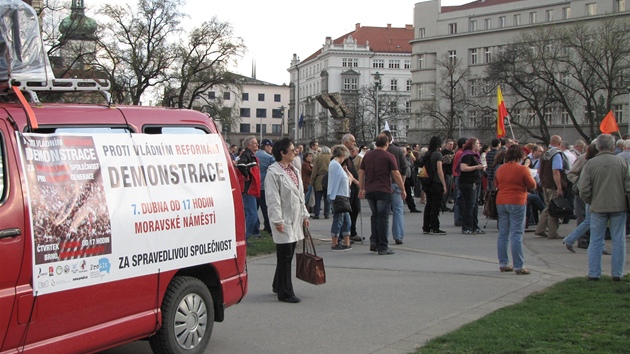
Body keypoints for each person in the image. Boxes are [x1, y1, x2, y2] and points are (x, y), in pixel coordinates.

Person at [578, 134, 630, 281]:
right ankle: (617, 274)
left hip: (597, 206)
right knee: (619, 240)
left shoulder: (590, 164)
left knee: (595, 240)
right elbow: (628, 186)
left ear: (597, 146)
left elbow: (583, 189)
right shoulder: (622, 163)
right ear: (613, 146)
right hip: (618, 206)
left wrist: (590, 200)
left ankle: (594, 273)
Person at [265, 138, 310, 303]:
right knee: (284, 256)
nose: (295, 152)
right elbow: (272, 198)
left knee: (288, 254)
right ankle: (285, 292)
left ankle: (278, 283)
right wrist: (277, 220)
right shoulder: (273, 173)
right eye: (292, 150)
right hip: (283, 219)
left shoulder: (294, 170)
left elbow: (301, 196)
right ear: (282, 153)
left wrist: (305, 215)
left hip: (295, 216)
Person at [359, 133, 406, 255]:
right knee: (383, 218)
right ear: (387, 143)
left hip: (370, 189)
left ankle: (373, 241)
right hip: (383, 189)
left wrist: (361, 188)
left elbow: (361, 172)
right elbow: (396, 174)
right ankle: (383, 246)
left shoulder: (367, 156)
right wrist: (403, 189)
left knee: (375, 216)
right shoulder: (389, 156)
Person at [495, 145, 537, 275]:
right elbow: (532, 185)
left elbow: (497, 184)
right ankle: (518, 265)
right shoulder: (522, 169)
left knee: (503, 234)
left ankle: (503, 263)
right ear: (520, 156)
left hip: (501, 200)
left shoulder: (500, 169)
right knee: (517, 234)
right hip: (517, 200)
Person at [563, 143, 610, 255]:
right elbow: (572, 174)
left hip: (593, 194)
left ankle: (571, 239)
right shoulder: (585, 160)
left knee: (591, 220)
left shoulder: (595, 161)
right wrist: (580, 184)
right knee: (593, 220)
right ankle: (597, 245)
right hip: (589, 194)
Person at [535, 135, 570, 239]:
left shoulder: (544, 153)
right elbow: (556, 171)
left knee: (548, 207)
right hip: (553, 185)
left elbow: (538, 169)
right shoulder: (557, 154)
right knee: (554, 208)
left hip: (545, 184)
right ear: (559, 143)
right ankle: (552, 233)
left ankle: (540, 229)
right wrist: (559, 187)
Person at [327, 144, 354, 251]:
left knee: (346, 219)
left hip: (341, 195)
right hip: (338, 195)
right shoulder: (335, 165)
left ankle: (345, 241)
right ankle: (335, 243)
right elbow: (338, 181)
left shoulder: (335, 165)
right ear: (342, 154)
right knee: (339, 219)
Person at [383, 130, 407, 244]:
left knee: (384, 211)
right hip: (396, 183)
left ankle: (384, 236)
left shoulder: (380, 151)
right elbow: (404, 168)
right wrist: (402, 184)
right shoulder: (398, 151)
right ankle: (398, 236)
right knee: (398, 210)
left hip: (384, 184)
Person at [236, 136, 261, 242]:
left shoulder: (250, 155)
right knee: (252, 215)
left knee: (250, 214)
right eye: (255, 143)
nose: (257, 145)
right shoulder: (247, 155)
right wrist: (247, 176)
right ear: (248, 145)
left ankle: (244, 237)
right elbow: (241, 165)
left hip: (250, 189)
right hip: (248, 190)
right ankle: (244, 238)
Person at [458, 137, 485, 234]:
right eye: (477, 143)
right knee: (469, 205)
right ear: (472, 145)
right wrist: (477, 167)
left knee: (474, 205)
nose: (479, 145)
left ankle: (474, 226)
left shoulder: (475, 155)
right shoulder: (467, 155)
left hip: (475, 182)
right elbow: (463, 168)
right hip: (468, 183)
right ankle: (466, 227)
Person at [421, 136, 447, 235]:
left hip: (427, 182)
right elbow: (440, 171)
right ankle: (435, 226)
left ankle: (426, 226)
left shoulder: (426, 154)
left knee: (428, 204)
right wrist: (444, 184)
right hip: (436, 182)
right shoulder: (438, 155)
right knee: (435, 205)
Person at [340, 134, 363, 242]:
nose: (354, 143)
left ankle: (352, 232)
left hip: (353, 187)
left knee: (355, 209)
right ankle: (345, 234)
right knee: (347, 211)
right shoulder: (341, 154)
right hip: (347, 187)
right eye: (352, 141)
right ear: (346, 142)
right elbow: (344, 170)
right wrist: (354, 180)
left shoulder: (348, 155)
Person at [255, 139, 276, 237]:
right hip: (264, 186)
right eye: (270, 147)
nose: (271, 149)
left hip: (254, 187)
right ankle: (269, 228)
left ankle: (255, 229)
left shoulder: (254, 155)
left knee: (254, 210)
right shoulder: (269, 158)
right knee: (266, 209)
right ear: (267, 147)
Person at [310, 146, 332, 219]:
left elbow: (314, 171)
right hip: (329, 179)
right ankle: (327, 213)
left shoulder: (318, 158)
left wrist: (312, 181)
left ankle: (317, 213)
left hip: (319, 179)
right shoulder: (331, 158)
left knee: (318, 198)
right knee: (327, 198)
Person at [441, 139, 455, 212]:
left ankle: (444, 204)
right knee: (445, 189)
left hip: (450, 172)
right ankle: (442, 205)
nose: (451, 146)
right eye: (450, 144)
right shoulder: (443, 153)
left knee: (449, 190)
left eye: (452, 144)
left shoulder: (452, 152)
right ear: (446, 144)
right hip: (445, 173)